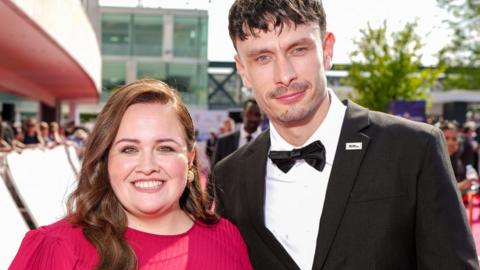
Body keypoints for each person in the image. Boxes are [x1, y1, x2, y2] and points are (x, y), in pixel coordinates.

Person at [212, 0, 479, 269]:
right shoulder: (229, 176)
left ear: (327, 50)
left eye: (298, 50)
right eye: (263, 58)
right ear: (243, 70)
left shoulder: (413, 149)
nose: (285, 75)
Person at [10, 79, 252, 270]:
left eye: (165, 148)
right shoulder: (58, 248)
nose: (147, 165)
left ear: (189, 159)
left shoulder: (228, 239)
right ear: (106, 160)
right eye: (129, 149)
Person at [212, 98, 262, 165]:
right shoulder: (223, 142)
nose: (253, 118)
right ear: (242, 114)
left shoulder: (270, 143)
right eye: (249, 113)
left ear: (262, 117)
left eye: (257, 115)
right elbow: (214, 172)